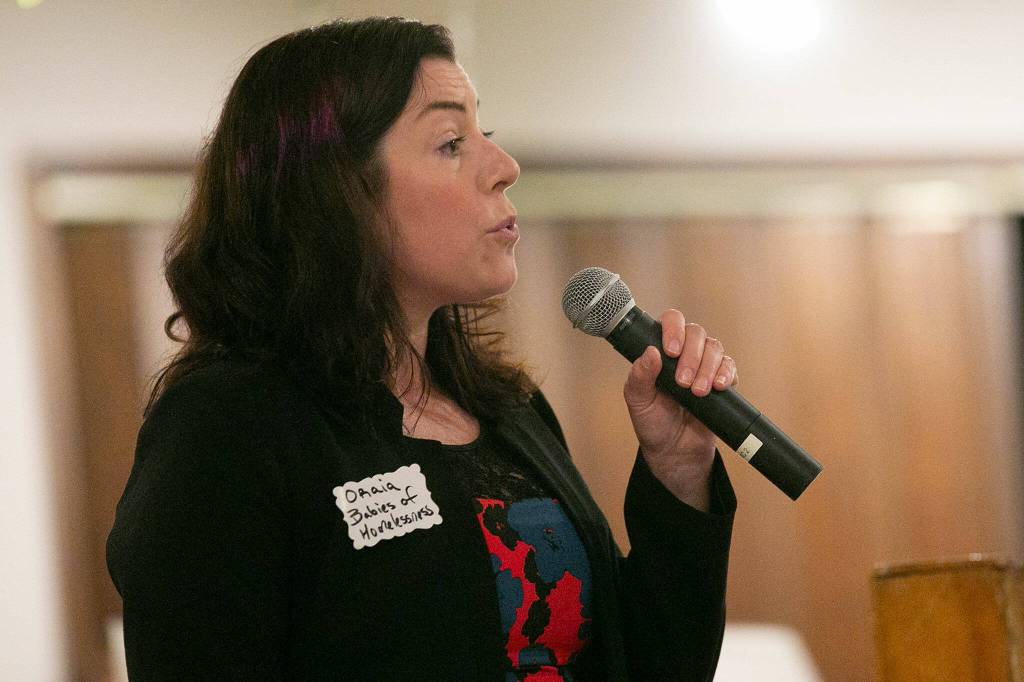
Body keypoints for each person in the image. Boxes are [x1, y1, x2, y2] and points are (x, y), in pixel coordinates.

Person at [106, 16, 738, 681]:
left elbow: (648, 667)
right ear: (335, 192)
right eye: (450, 142)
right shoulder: (228, 429)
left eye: (484, 135)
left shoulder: (508, 411)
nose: (504, 166)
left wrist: (678, 470)